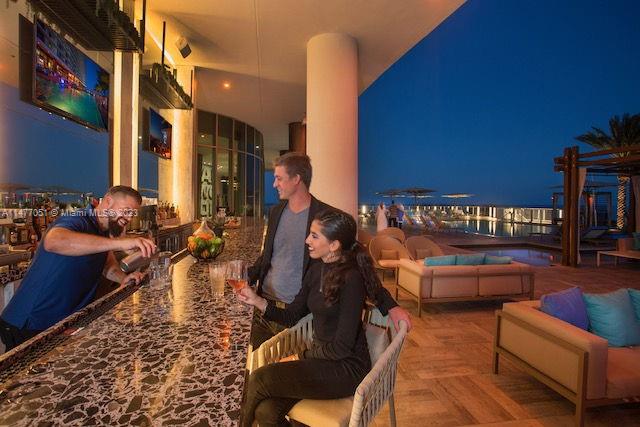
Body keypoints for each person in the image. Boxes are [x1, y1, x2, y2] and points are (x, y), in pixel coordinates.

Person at [248, 153, 411, 347]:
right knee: (256, 360)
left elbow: (356, 261)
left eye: (279, 178)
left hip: (300, 313)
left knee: (295, 363)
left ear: (296, 179)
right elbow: (269, 255)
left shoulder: (326, 218)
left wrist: (390, 305)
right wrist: (245, 277)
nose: (274, 184)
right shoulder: (276, 212)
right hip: (266, 303)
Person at [239, 209, 382, 427]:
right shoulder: (316, 269)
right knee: (266, 412)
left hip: (346, 368)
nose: (307, 240)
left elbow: (341, 348)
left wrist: (300, 356)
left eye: (314, 236)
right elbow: (292, 315)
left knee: (258, 378)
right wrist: (256, 301)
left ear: (334, 245)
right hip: (320, 360)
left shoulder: (352, 278)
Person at [0, 186, 156, 351]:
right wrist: (120, 243)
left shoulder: (102, 230)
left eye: (132, 213)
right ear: (108, 202)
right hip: (31, 321)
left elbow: (108, 266)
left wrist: (123, 278)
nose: (129, 218)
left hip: (62, 322)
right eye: (126, 211)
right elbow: (53, 241)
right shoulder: (78, 218)